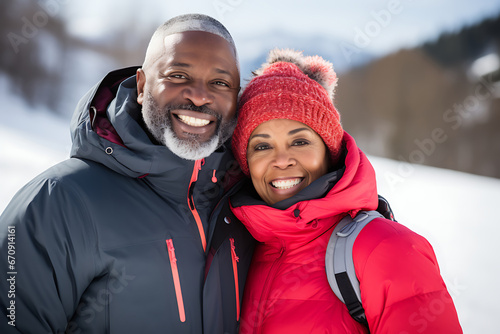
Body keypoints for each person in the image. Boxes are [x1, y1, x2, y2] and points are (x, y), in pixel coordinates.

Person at [0, 14, 254, 334]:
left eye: (220, 82)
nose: (200, 96)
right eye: (178, 75)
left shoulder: (248, 208)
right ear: (142, 86)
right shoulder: (59, 201)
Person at [229, 48, 463, 333]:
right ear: (245, 162)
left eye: (300, 142)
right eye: (262, 146)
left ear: (330, 151)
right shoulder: (236, 252)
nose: (281, 160)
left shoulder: (386, 249)